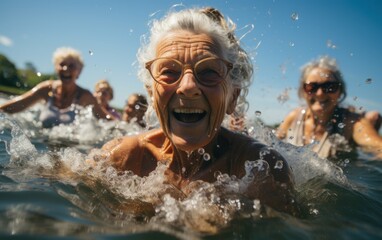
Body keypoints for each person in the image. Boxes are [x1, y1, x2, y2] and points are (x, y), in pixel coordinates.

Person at [100, 7, 299, 215]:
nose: (188, 86)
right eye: (169, 71)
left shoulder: (260, 170)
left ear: (233, 97)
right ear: (152, 94)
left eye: (209, 71)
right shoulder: (122, 159)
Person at [277, 56, 382, 159]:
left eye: (330, 87)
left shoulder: (352, 123)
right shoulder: (294, 117)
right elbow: (271, 145)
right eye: (311, 87)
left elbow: (378, 147)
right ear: (303, 91)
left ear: (340, 92)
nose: (320, 94)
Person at [0, 47, 114, 128]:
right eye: (62, 64)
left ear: (79, 71)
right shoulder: (46, 88)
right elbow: (16, 105)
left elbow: (106, 120)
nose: (65, 69)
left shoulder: (85, 96)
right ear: (56, 68)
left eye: (71, 66)